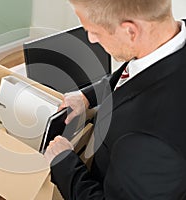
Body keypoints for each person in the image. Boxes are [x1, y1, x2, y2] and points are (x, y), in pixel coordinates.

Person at [44, 0, 186, 199]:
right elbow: (134, 71)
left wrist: (63, 162)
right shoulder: (163, 40)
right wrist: (86, 96)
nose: (91, 39)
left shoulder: (149, 140)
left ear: (130, 31)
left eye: (94, 31)